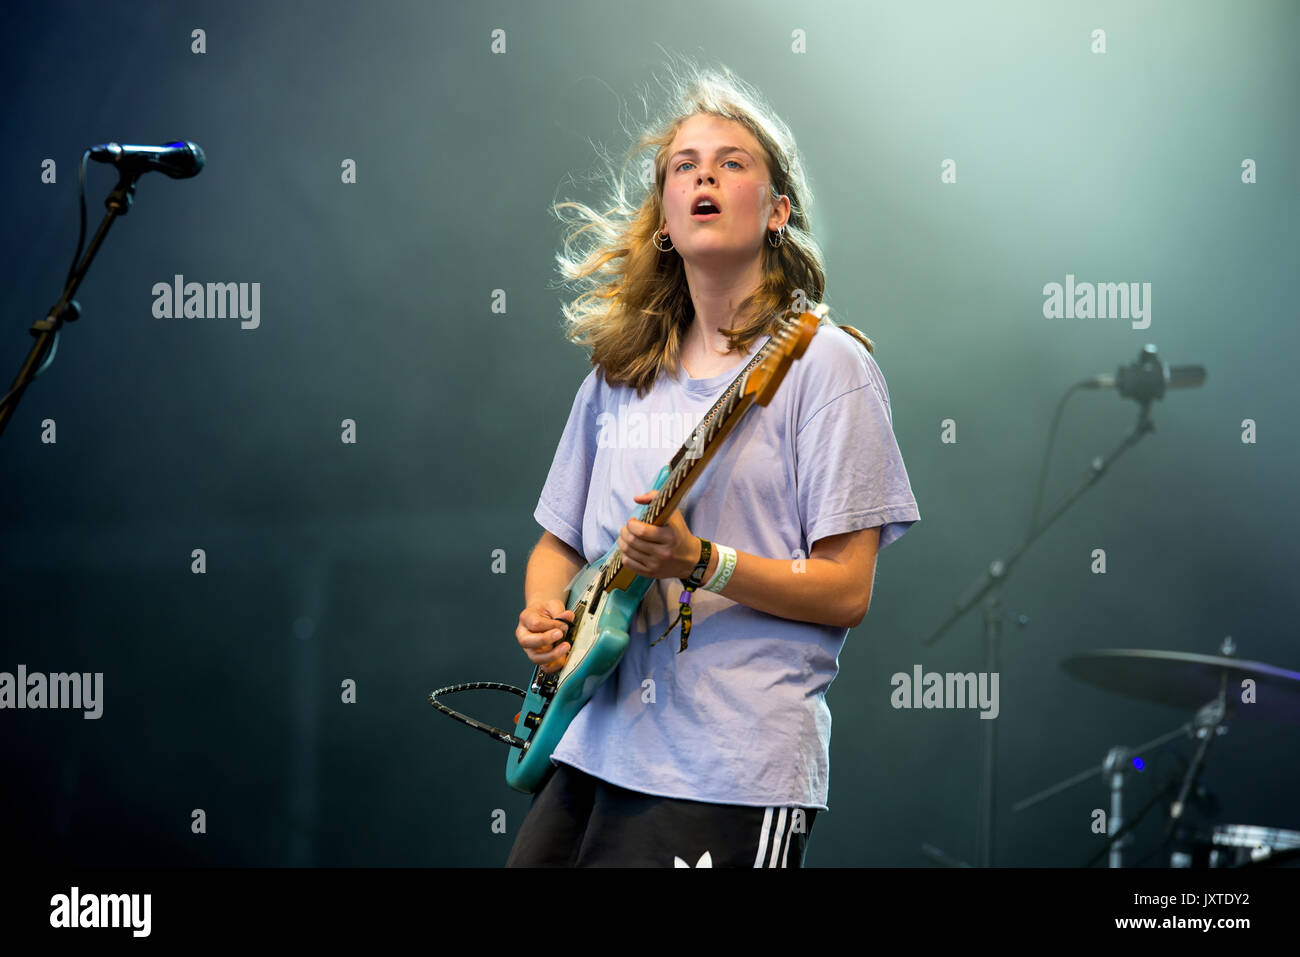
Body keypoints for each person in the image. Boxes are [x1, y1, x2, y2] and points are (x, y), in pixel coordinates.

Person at [506, 60, 920, 867]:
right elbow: (558, 541)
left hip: (727, 772)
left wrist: (701, 561)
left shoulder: (823, 364)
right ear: (663, 217)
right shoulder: (619, 373)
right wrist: (545, 619)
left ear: (777, 211)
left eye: (733, 163)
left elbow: (847, 589)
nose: (706, 175)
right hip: (587, 749)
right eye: (685, 167)